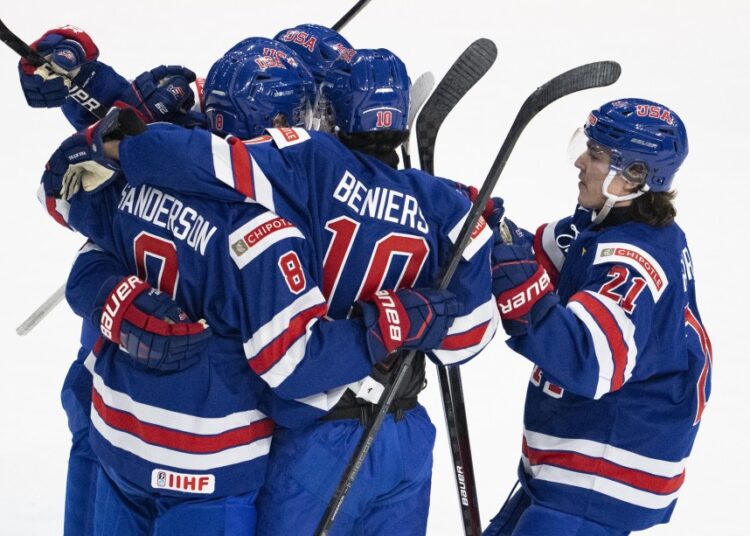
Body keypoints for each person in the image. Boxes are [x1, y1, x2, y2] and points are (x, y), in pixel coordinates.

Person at [53, 44, 498, 534]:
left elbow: (72, 198)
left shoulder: (299, 167)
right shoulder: (449, 205)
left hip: (197, 433)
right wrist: (401, 318)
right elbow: (464, 340)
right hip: (384, 430)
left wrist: (121, 136)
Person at [485, 99, 712, 535]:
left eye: (598, 155)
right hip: (569, 474)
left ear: (635, 176)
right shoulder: (612, 226)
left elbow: (586, 360)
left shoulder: (634, 263)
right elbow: (540, 256)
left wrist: (518, 287)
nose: (580, 162)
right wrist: (481, 226)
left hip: (597, 482)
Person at [18, 25, 199, 536]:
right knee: (92, 425)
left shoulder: (297, 158)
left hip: (202, 411)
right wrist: (75, 67)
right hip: (112, 373)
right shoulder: (198, 107)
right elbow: (117, 111)